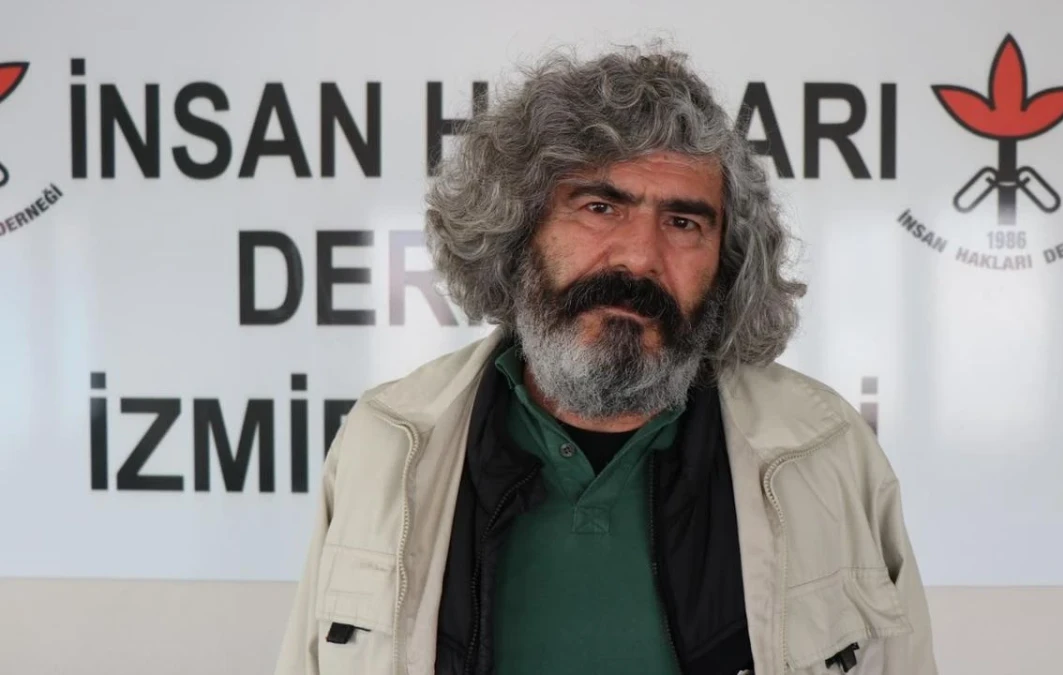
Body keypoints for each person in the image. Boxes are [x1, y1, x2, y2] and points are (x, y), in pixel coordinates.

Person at [273, 44, 937, 675]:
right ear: (520, 228)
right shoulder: (390, 441)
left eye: (683, 223)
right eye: (599, 207)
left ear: (727, 263)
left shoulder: (822, 452)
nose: (640, 257)